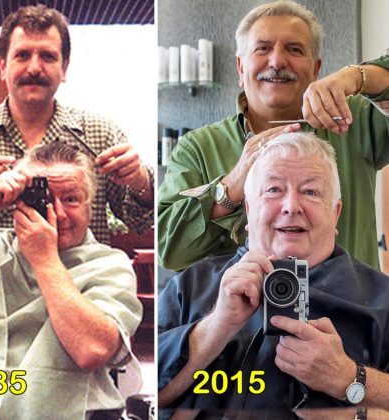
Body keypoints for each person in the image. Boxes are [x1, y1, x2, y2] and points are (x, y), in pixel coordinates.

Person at [158, 133, 389, 411]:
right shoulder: (190, 288)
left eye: (311, 192)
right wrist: (216, 326)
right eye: (273, 190)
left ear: (335, 213)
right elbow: (142, 395)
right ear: (248, 207)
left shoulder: (382, 301)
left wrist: (349, 378)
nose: (291, 206)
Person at [158, 0, 389, 272]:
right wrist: (231, 188)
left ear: (316, 69)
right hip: (237, 313)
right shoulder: (197, 149)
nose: (278, 61)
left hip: (348, 311)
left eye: (294, 49)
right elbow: (167, 249)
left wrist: (355, 77)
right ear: (241, 68)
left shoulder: (355, 120)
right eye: (262, 48)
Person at [0, 142, 142, 420]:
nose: (59, 214)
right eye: (44, 198)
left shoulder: (109, 264)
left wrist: (45, 259)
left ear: (90, 206)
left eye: (72, 199)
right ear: (18, 201)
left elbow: (92, 350)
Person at [0, 4, 154, 245]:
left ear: (64, 68)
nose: (34, 68)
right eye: (22, 55)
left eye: (47, 56)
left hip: (79, 281)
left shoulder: (101, 134)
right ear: (3, 66)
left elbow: (140, 224)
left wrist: (140, 182)